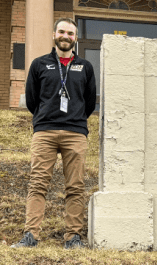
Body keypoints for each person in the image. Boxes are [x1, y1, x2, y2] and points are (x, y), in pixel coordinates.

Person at [11, 17, 96, 249]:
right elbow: (31, 100)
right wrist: (45, 118)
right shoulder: (39, 64)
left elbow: (89, 103)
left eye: (70, 33)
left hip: (75, 133)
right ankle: (31, 235)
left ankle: (73, 237)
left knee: (75, 186)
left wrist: (75, 119)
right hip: (45, 132)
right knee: (37, 184)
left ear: (75, 38)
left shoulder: (85, 67)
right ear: (54, 34)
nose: (65, 36)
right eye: (61, 32)